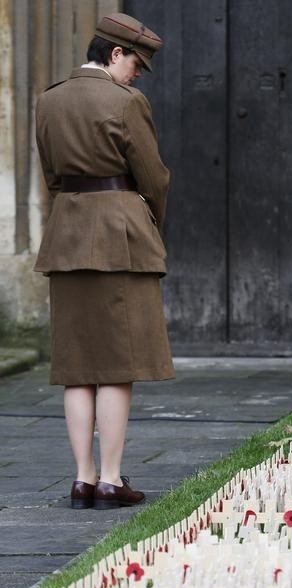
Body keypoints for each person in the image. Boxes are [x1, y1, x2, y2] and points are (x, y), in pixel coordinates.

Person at [34, 13, 174, 510]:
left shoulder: (47, 100)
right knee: (117, 364)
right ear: (114, 54)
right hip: (120, 235)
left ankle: (82, 479)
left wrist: (74, 210)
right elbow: (153, 177)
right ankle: (112, 479)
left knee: (76, 365)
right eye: (136, 63)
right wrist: (149, 220)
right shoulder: (126, 101)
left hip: (67, 234)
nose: (138, 74)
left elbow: (51, 176)